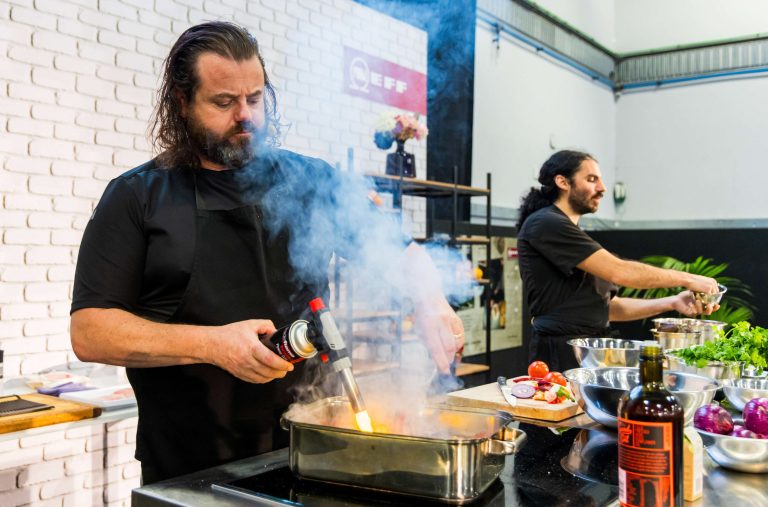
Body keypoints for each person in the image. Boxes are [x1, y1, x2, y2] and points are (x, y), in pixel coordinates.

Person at [69, 21, 464, 484]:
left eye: (254, 99)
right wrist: (212, 344)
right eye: (223, 102)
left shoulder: (310, 180)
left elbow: (398, 250)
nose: (245, 116)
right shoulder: (138, 197)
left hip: (312, 451)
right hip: (188, 464)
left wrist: (431, 299)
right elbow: (90, 331)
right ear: (181, 102)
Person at [516, 150, 719, 372]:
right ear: (563, 182)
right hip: (559, 353)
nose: (602, 188)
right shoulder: (545, 223)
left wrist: (672, 302)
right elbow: (620, 272)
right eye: (592, 179)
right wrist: (688, 279)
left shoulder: (570, 233)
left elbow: (607, 309)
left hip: (588, 350)